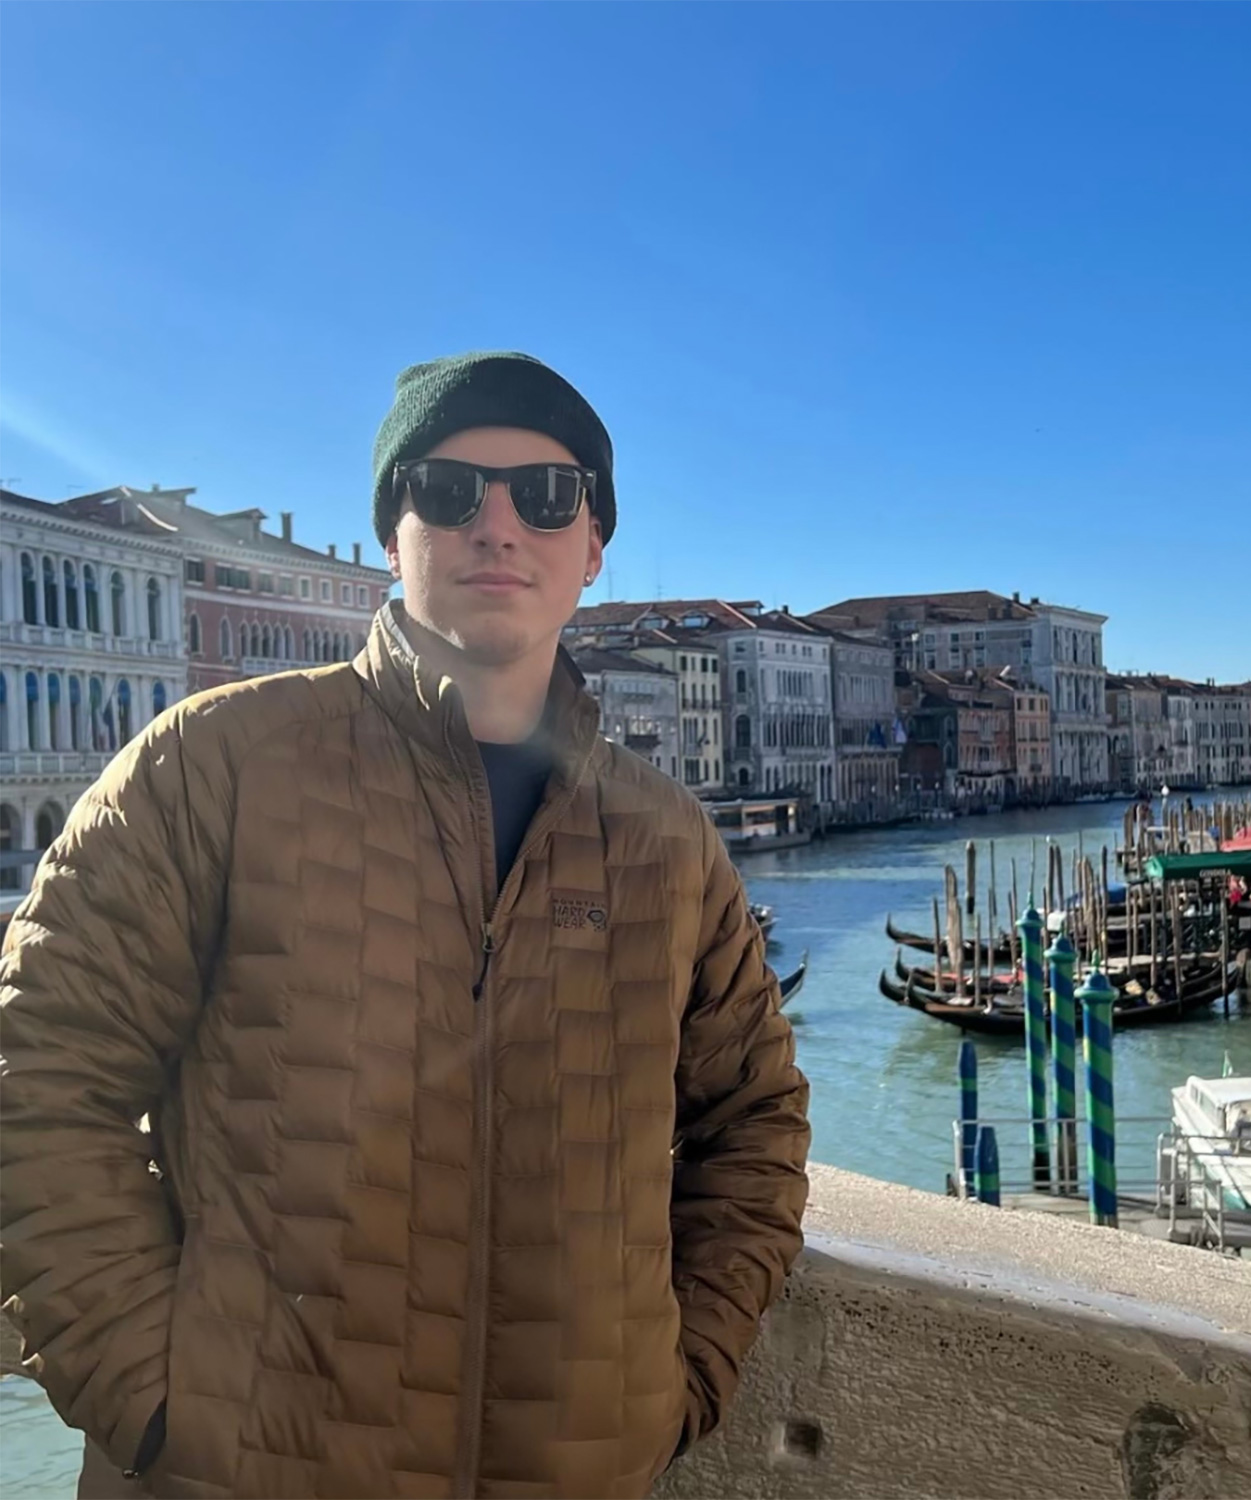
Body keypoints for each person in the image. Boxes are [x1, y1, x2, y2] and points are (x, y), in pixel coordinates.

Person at [0, 352, 811, 1499]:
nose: (496, 525)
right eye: (445, 489)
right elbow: (35, 1072)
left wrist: (672, 1385)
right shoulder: (210, 766)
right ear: (394, 532)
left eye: (544, 495)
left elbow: (757, 1123)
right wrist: (157, 1403)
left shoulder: (669, 843)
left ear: (592, 546)